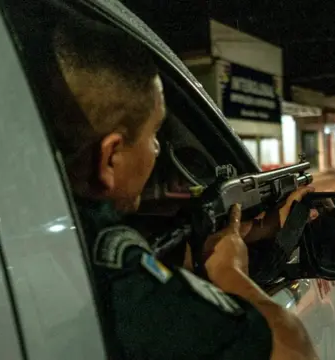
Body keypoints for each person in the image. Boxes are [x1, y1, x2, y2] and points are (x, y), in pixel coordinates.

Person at [43, 13, 318, 360]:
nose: (158, 150)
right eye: (154, 134)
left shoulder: (45, 234)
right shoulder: (114, 266)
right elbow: (293, 349)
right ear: (111, 157)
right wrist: (228, 270)